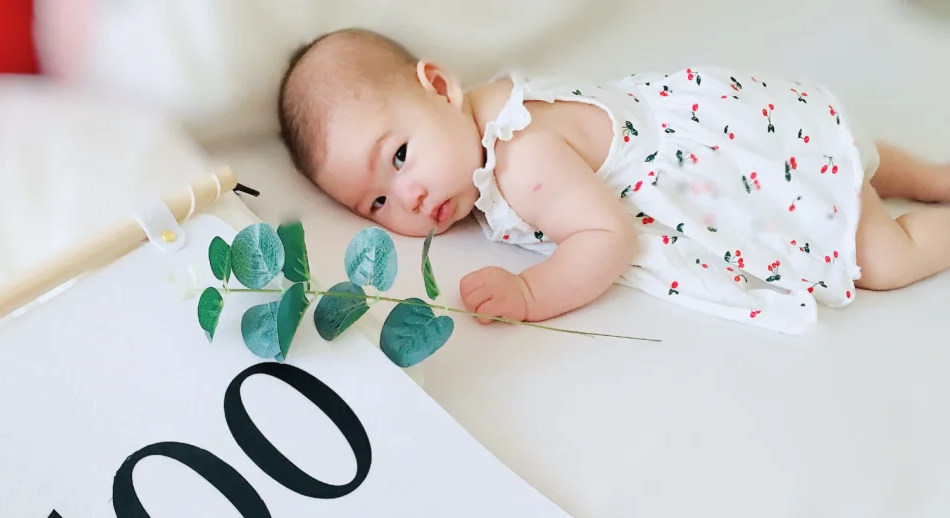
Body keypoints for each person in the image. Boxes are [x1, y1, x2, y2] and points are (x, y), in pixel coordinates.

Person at [277, 28, 950, 333]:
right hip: (749, 121)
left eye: (399, 157)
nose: (410, 197)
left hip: (737, 174)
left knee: (883, 258)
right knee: (850, 154)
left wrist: (530, 292)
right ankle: (926, 175)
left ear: (438, 85)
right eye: (377, 202)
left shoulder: (520, 162)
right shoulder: (490, 109)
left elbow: (607, 237)